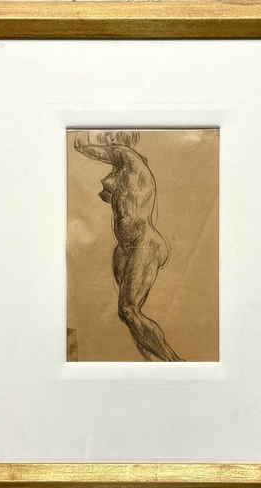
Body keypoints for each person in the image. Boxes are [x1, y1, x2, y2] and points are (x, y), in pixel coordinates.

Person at [74, 130, 183, 361]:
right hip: (124, 247)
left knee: (128, 310)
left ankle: (174, 363)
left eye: (109, 139)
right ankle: (152, 364)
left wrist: (81, 141)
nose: (108, 144)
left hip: (144, 244)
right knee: (129, 315)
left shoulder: (128, 157)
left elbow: (85, 147)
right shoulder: (124, 167)